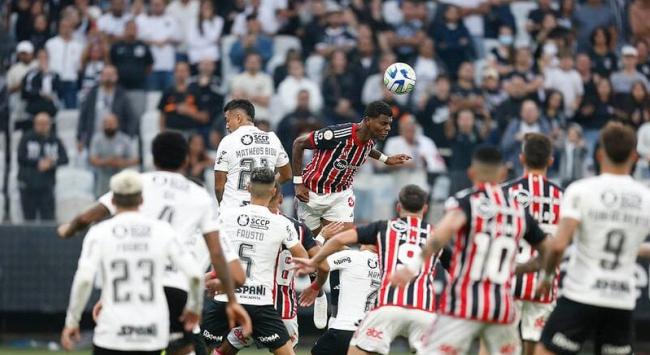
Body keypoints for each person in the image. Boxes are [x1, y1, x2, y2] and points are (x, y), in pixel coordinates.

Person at [57, 131, 252, 355]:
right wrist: (230, 301)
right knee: (180, 348)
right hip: (177, 288)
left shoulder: (138, 184)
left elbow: (88, 217)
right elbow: (216, 253)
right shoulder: (199, 196)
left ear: (152, 158)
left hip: (137, 282)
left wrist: (68, 229)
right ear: (186, 159)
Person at [391, 146, 551, 355]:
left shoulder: (467, 202)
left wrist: (412, 267)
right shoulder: (519, 210)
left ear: (471, 173)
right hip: (502, 307)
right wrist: (537, 273)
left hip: (463, 305)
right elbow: (549, 249)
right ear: (503, 173)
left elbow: (440, 235)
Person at [60, 170, 204, 354]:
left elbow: (85, 279)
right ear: (142, 200)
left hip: (111, 332)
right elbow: (194, 275)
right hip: (151, 333)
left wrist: (72, 321)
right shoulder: (162, 231)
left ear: (112, 201)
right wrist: (194, 308)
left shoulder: (99, 232)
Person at [536, 122, 650, 355]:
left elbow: (558, 245)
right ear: (634, 156)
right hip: (622, 299)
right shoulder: (645, 197)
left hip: (582, 293)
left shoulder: (581, 190)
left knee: (545, 351)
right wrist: (632, 250)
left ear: (599, 154)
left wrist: (546, 277)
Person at [293, 185, 442, 355]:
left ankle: (322, 299)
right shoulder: (388, 267)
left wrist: (321, 236)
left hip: (344, 328)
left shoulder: (354, 257)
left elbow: (323, 262)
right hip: (372, 328)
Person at [200, 168, 309, 355]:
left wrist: (213, 275)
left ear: (248, 188)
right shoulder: (283, 224)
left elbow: (215, 251)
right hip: (260, 302)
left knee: (197, 348)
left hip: (226, 299)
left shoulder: (227, 216)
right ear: (274, 191)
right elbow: (304, 260)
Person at [219, 184, 329, 354]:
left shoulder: (238, 220)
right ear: (280, 198)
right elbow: (322, 265)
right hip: (283, 309)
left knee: (223, 350)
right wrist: (317, 288)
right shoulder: (298, 228)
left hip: (248, 301)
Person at [501, 133, 563, 355]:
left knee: (502, 345)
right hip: (544, 280)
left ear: (521, 159)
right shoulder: (562, 196)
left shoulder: (505, 193)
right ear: (550, 161)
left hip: (510, 277)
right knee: (536, 344)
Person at [213, 99, 292, 208]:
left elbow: (219, 186)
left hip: (234, 209)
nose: (227, 125)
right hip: (262, 209)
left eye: (228, 120)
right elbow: (287, 174)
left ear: (238, 118)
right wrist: (264, 187)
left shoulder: (228, 141)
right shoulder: (272, 138)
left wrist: (223, 209)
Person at [310, 244, 380, 355]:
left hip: (346, 327)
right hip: (369, 332)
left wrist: (323, 239)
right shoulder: (385, 265)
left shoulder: (351, 256)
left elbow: (319, 262)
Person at [17, 112, 69, 221]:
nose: (43, 126)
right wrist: (38, 163)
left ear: (50, 124)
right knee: (29, 220)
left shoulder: (55, 140)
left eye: (45, 123)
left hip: (47, 187)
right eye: (40, 123)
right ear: (35, 124)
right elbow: (20, 158)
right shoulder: (26, 138)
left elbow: (65, 159)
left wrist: (51, 163)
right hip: (28, 186)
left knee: (48, 219)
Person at [77, 65, 137, 150]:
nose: (108, 77)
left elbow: (131, 118)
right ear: (101, 77)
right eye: (106, 75)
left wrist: (128, 138)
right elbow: (83, 116)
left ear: (116, 77)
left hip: (116, 141)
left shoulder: (122, 94)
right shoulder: (93, 93)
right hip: (94, 140)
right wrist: (80, 138)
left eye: (111, 75)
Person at [109, 19, 154, 121]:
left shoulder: (143, 46)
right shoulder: (116, 46)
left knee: (137, 116)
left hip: (138, 88)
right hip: (120, 88)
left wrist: (139, 75)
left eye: (134, 28)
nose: (131, 31)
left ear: (137, 30)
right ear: (124, 30)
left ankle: (138, 137)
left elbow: (149, 66)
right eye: (129, 28)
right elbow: (111, 64)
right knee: (119, 115)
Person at [89, 113, 139, 197]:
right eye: (107, 124)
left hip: (121, 179)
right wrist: (107, 161)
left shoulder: (124, 139)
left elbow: (135, 159)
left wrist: (122, 163)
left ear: (117, 124)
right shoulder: (97, 139)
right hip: (102, 180)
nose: (109, 126)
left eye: (111, 124)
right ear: (103, 125)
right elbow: (92, 159)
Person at [136, 0, 181, 91]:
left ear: (164, 5)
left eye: (159, 4)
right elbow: (137, 39)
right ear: (150, 5)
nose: (157, 7)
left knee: (169, 96)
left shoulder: (172, 19)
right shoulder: (141, 19)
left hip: (168, 66)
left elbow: (179, 38)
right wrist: (154, 42)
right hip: (150, 67)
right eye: (154, 4)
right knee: (153, 97)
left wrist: (167, 40)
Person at [158, 62, 211, 136]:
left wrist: (190, 112)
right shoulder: (168, 92)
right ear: (174, 73)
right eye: (178, 71)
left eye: (183, 71)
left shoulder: (195, 91)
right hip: (171, 132)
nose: (181, 74)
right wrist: (162, 133)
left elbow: (205, 117)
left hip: (191, 133)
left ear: (188, 73)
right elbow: (162, 115)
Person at [45, 18, 83, 108]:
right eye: (63, 26)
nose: (66, 29)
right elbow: (46, 61)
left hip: (71, 81)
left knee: (71, 109)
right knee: (53, 108)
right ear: (59, 28)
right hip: (54, 81)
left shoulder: (78, 45)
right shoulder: (50, 43)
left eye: (68, 27)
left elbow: (80, 65)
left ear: (72, 28)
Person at [229, 52, 274, 122]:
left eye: (255, 62)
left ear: (260, 64)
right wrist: (257, 97)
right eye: (250, 62)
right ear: (245, 63)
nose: (253, 64)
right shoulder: (237, 78)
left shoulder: (266, 79)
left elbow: (266, 101)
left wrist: (245, 95)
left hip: (262, 117)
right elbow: (236, 99)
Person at [22, 49, 61, 119]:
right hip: (34, 104)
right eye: (40, 57)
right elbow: (26, 92)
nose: (43, 60)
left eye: (45, 57)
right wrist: (41, 93)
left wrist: (46, 75)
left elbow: (59, 92)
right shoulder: (30, 74)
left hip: (50, 105)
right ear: (37, 59)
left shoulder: (55, 75)